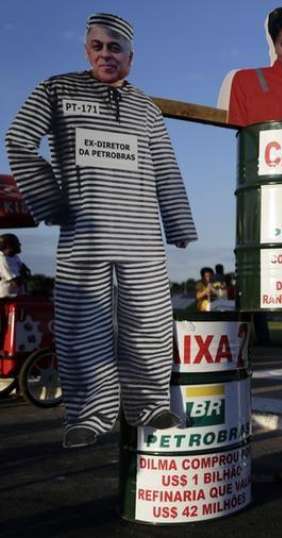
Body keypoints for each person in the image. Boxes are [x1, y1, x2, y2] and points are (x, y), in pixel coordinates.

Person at [4, 13, 198, 448]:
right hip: (84, 234)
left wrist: (179, 223)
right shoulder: (57, 89)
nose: (106, 55)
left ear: (131, 56)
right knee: (80, 326)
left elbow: (166, 167)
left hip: (142, 236)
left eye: (116, 48)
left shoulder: (146, 106)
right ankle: (88, 414)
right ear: (86, 50)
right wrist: (50, 201)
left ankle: (150, 405)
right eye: (98, 46)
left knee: (149, 324)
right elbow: (18, 138)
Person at [0, 234, 30, 298]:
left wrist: (24, 275)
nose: (20, 244)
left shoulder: (14, 256)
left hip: (17, 296)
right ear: (8, 245)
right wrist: (24, 275)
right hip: (6, 298)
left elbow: (27, 273)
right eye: (17, 242)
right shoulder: (3, 260)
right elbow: (16, 282)